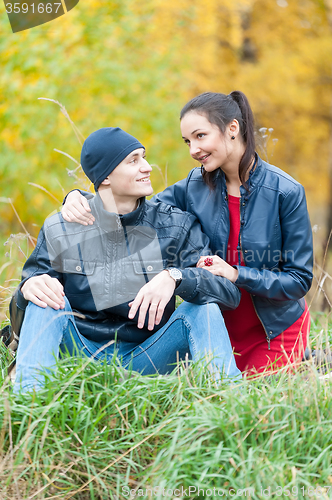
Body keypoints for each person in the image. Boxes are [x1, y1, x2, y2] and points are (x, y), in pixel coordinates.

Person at [62, 92, 313, 376]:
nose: (193, 149)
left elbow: (298, 280)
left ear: (232, 129)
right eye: (188, 141)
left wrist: (235, 274)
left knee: (258, 410)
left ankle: (308, 359)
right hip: (216, 327)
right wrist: (78, 196)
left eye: (200, 136)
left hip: (274, 330)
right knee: (215, 401)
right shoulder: (194, 185)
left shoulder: (285, 192)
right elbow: (135, 210)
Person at [10, 127, 242, 394]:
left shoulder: (175, 226)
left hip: (150, 356)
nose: (147, 167)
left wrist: (176, 278)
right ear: (105, 177)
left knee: (204, 309)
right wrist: (26, 290)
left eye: (144, 157)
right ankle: (28, 407)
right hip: (79, 354)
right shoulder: (64, 226)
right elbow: (23, 313)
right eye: (133, 161)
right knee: (45, 297)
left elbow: (228, 293)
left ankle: (230, 405)